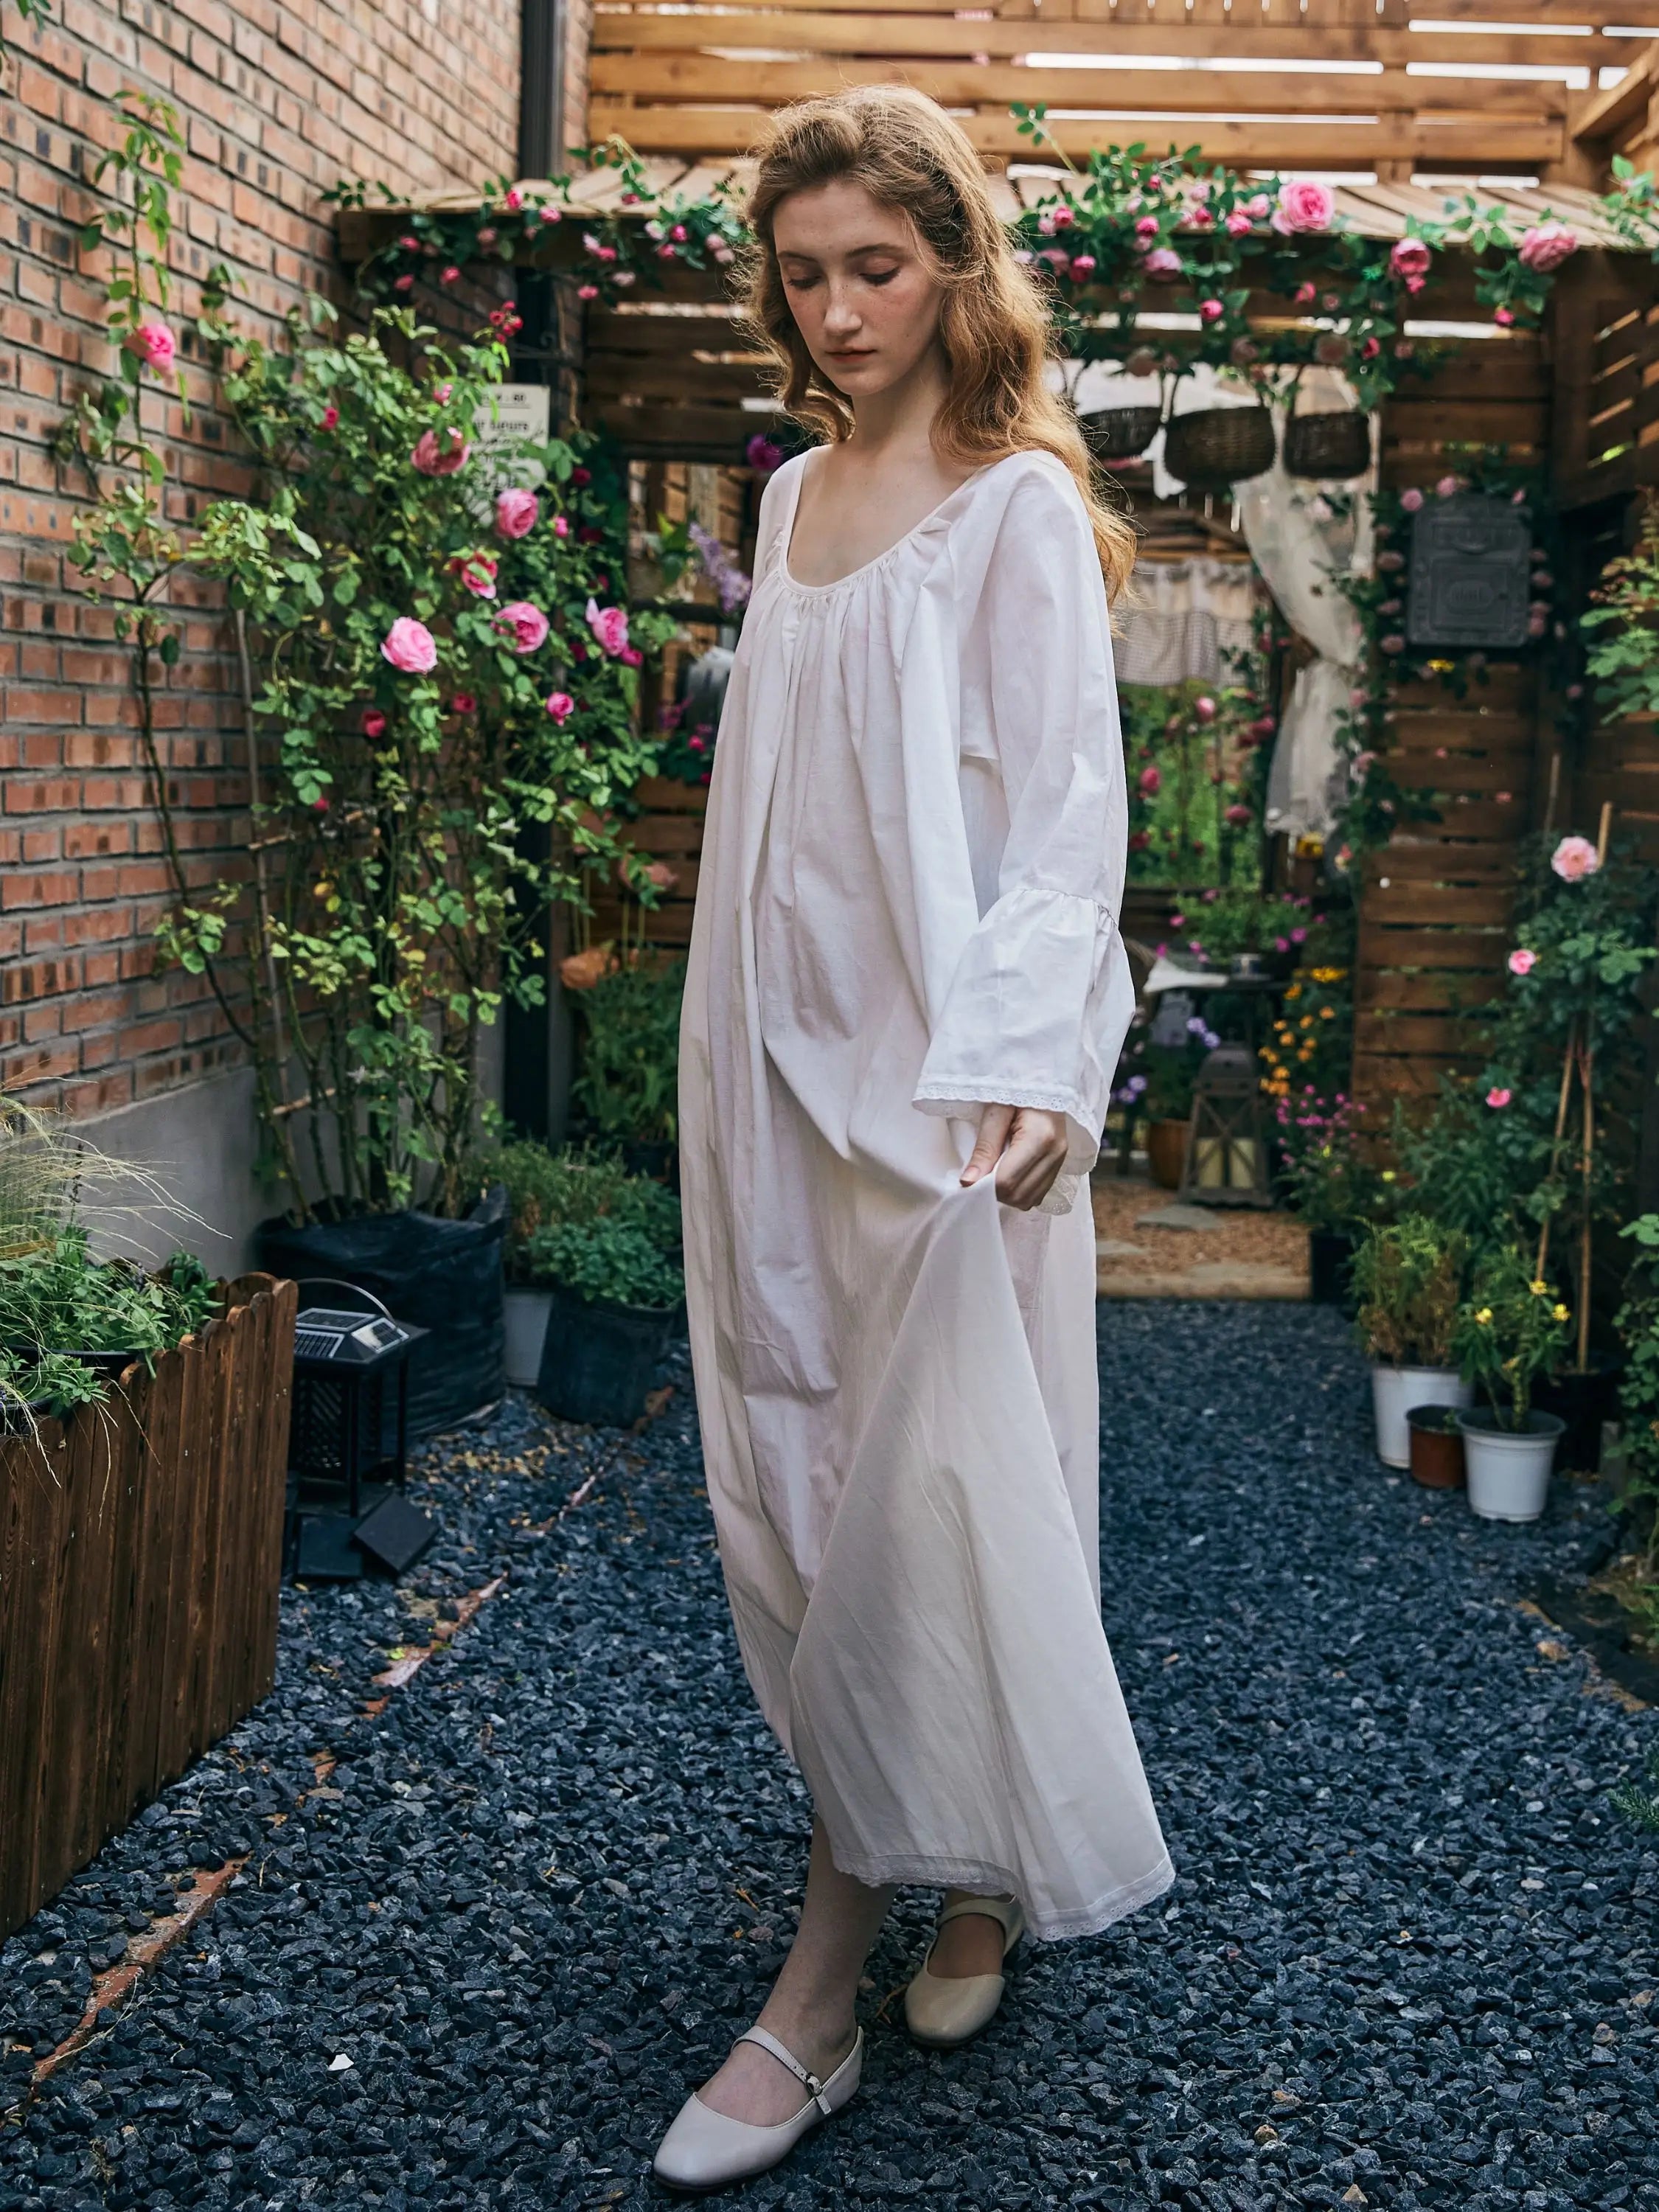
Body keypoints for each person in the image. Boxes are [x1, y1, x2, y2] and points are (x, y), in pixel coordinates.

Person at [658, 85, 1173, 2194]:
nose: (842, 307)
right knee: (792, 1467)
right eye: (805, 273)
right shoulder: (785, 503)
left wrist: (1041, 1070)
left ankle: (814, 1992)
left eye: (877, 264)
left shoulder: (1012, 502)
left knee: (930, 1477)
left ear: (956, 264)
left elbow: (1062, 814)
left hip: (944, 1092)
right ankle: (965, 1861)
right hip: (767, 1069)